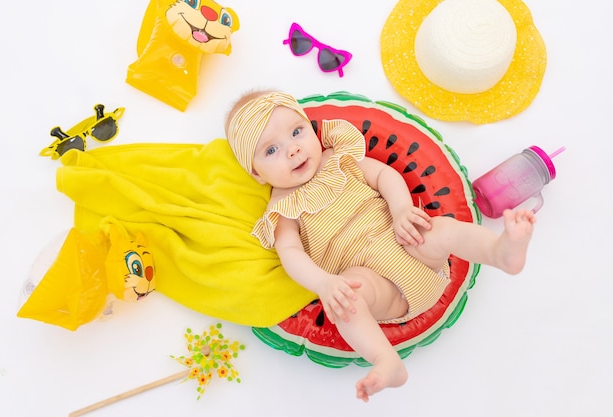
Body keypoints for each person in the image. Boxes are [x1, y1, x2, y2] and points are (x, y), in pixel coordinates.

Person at [225, 91, 536, 402]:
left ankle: (500, 251)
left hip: (411, 247)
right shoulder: (281, 209)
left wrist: (401, 209)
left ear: (310, 127)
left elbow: (386, 175)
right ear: (255, 172)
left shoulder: (342, 159)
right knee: (349, 299)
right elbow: (290, 254)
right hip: (385, 291)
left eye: (296, 132)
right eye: (271, 150)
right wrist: (325, 283)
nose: (292, 149)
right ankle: (385, 360)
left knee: (440, 230)